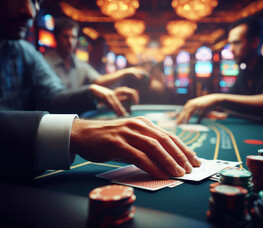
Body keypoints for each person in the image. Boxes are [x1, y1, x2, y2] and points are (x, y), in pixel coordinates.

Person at [0, 0, 200, 182]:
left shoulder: (24, 50)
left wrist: (92, 93)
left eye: (35, 1)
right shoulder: (41, 55)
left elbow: (53, 98)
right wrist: (71, 131)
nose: (29, 11)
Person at [176, 17, 263, 124]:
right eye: (230, 44)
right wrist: (206, 109)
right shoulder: (245, 70)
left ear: (255, 42)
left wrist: (217, 98)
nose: (231, 50)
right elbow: (232, 99)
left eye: (236, 43)